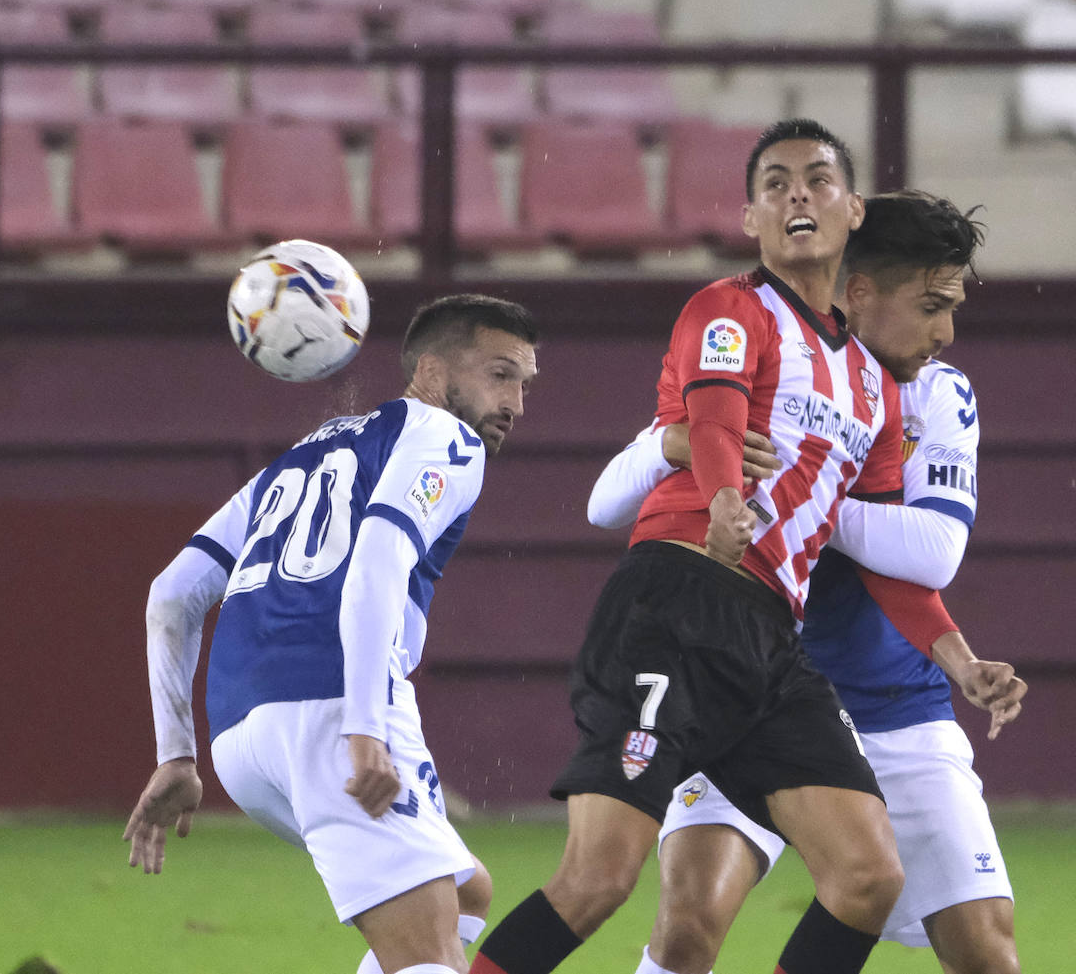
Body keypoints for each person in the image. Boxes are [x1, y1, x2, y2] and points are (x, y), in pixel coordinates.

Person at [470, 119, 909, 974]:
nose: (796, 196)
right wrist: (723, 504)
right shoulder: (729, 308)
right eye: (775, 184)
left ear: (854, 209)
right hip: (676, 600)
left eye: (817, 180)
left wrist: (956, 653)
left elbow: (886, 537)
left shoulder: (874, 385)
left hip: (771, 640)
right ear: (751, 218)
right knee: (599, 878)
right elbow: (712, 417)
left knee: (867, 875)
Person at [589, 191, 1028, 974]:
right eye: (931, 305)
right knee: (688, 923)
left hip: (896, 706)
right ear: (855, 288)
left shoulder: (937, 394)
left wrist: (809, 488)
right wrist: (678, 444)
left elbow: (933, 555)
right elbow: (605, 499)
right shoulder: (755, 356)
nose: (946, 332)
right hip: (750, 697)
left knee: (988, 953)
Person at [122, 294, 539, 974]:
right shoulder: (446, 437)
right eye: (500, 374)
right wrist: (365, 727)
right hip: (335, 712)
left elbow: (172, 594)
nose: (516, 403)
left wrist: (177, 756)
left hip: (238, 743)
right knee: (428, 953)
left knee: (466, 890)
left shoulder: (297, 458)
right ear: (432, 371)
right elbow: (377, 557)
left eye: (525, 382)